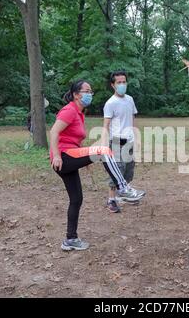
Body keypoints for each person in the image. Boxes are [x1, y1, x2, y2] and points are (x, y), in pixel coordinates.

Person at [49, 80, 145, 251]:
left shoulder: (79, 113)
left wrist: (84, 159)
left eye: (91, 91)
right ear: (76, 94)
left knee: (76, 199)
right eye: (86, 91)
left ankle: (70, 239)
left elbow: (71, 139)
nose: (90, 94)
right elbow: (54, 132)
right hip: (62, 157)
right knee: (103, 149)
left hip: (69, 157)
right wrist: (56, 156)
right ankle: (123, 188)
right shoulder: (69, 110)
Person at [102, 70, 145, 213]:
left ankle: (124, 195)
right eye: (119, 82)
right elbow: (106, 125)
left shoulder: (130, 99)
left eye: (124, 82)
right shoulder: (110, 103)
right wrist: (104, 144)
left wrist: (136, 137)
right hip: (117, 142)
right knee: (117, 173)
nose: (122, 84)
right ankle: (111, 200)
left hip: (130, 141)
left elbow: (132, 119)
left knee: (128, 172)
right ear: (113, 85)